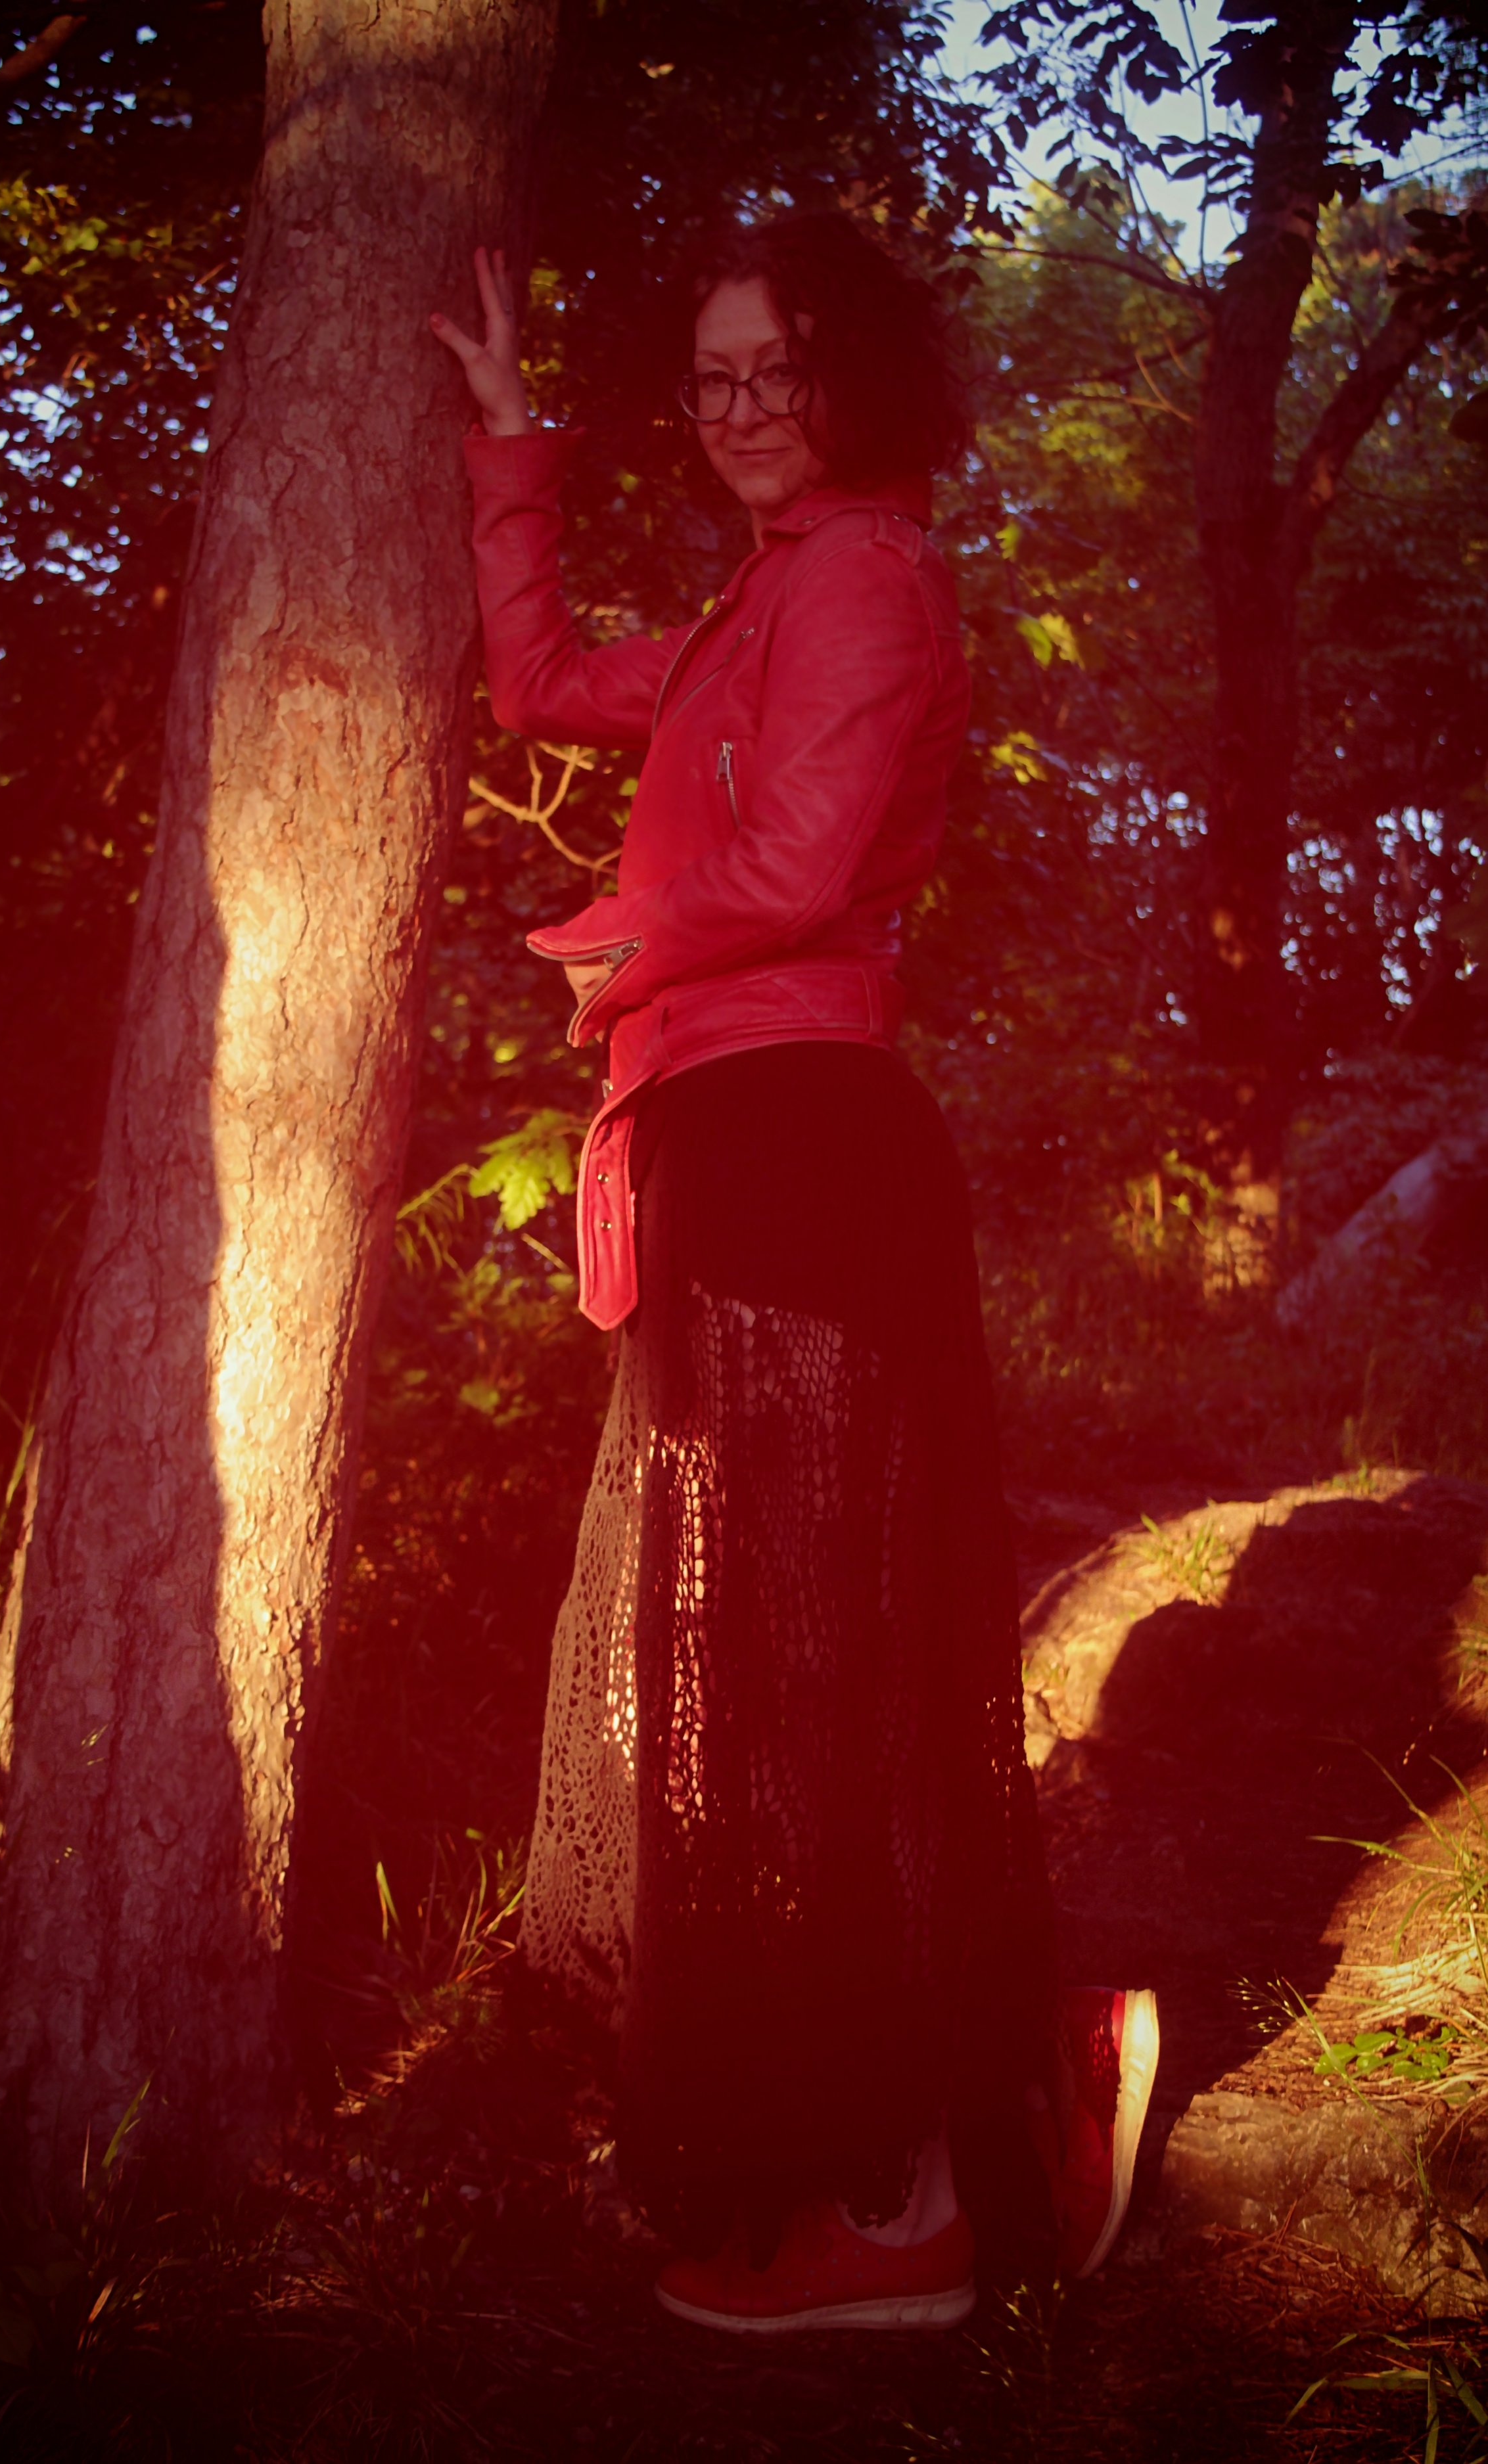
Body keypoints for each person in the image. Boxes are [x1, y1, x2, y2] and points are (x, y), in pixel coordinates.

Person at [431, 215, 1157, 2335]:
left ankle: (908, 2198)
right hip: (736, 1145)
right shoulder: (771, 590)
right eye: (714, 379)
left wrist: (591, 951)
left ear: (857, 385)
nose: (741, 413)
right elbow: (545, 682)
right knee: (760, 1663)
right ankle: (983, 2121)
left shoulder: (862, 572)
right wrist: (510, 438)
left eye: (777, 372)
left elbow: (805, 867)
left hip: (797, 1152)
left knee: (794, 1678)